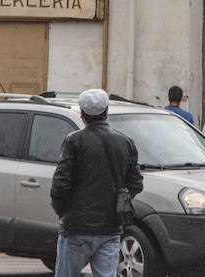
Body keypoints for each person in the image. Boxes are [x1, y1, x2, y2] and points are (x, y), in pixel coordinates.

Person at [50, 89, 144, 277]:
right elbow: (136, 183)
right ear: (107, 111)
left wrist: (63, 211)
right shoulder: (126, 142)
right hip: (110, 228)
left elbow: (60, 185)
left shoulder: (73, 141)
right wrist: (121, 199)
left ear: (82, 114)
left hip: (76, 226)